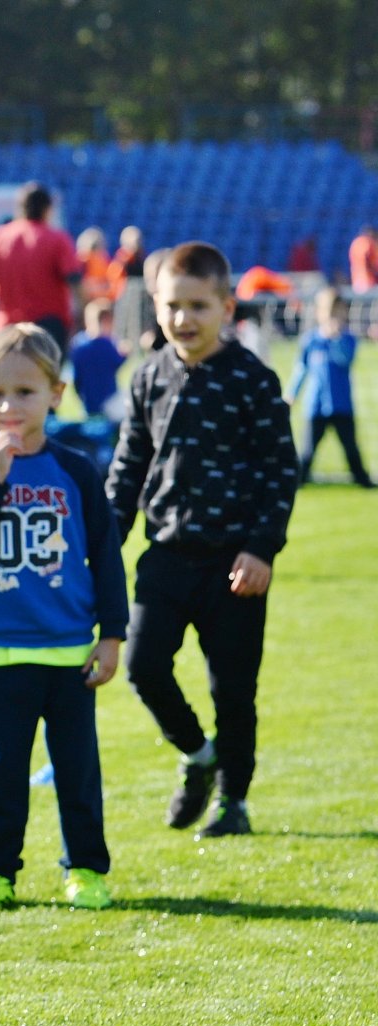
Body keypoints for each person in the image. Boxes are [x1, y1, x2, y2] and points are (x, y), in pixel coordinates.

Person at [108, 242, 300, 839]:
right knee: (142, 666)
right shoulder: (148, 378)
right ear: (156, 308)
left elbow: (279, 469)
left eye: (198, 306)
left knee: (233, 691)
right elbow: (127, 469)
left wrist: (262, 547)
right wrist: (103, 546)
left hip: (234, 563)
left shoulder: (252, 379)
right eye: (172, 306)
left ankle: (233, 802)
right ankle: (198, 754)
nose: (184, 319)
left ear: (226, 306)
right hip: (164, 556)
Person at [0, 325, 127, 912]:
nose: (9, 406)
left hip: (70, 651)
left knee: (77, 774)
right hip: (0, 652)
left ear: (56, 393)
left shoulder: (76, 470)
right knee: (1, 774)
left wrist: (114, 634)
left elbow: (105, 554)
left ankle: (85, 870)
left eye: (25, 392)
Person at [0, 183, 80, 348]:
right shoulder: (57, 239)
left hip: (8, 325)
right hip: (48, 326)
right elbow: (74, 279)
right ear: (47, 209)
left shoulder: (0, 236)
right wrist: (77, 316)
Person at [289, 287, 372, 488]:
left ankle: (362, 479)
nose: (333, 317)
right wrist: (292, 394)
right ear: (319, 313)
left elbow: (346, 360)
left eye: (338, 312)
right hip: (316, 405)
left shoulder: (348, 339)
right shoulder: (311, 340)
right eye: (329, 312)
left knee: (351, 448)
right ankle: (299, 480)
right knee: (307, 450)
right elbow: (302, 368)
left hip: (341, 405)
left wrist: (335, 339)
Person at [69, 299, 126, 421]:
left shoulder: (78, 343)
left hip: (87, 401)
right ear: (107, 321)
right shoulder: (107, 344)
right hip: (109, 400)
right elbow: (117, 362)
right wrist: (125, 354)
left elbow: (76, 377)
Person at [350, 225, 378, 294]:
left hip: (357, 283)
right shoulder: (368, 244)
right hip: (369, 283)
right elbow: (373, 264)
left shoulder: (355, 243)